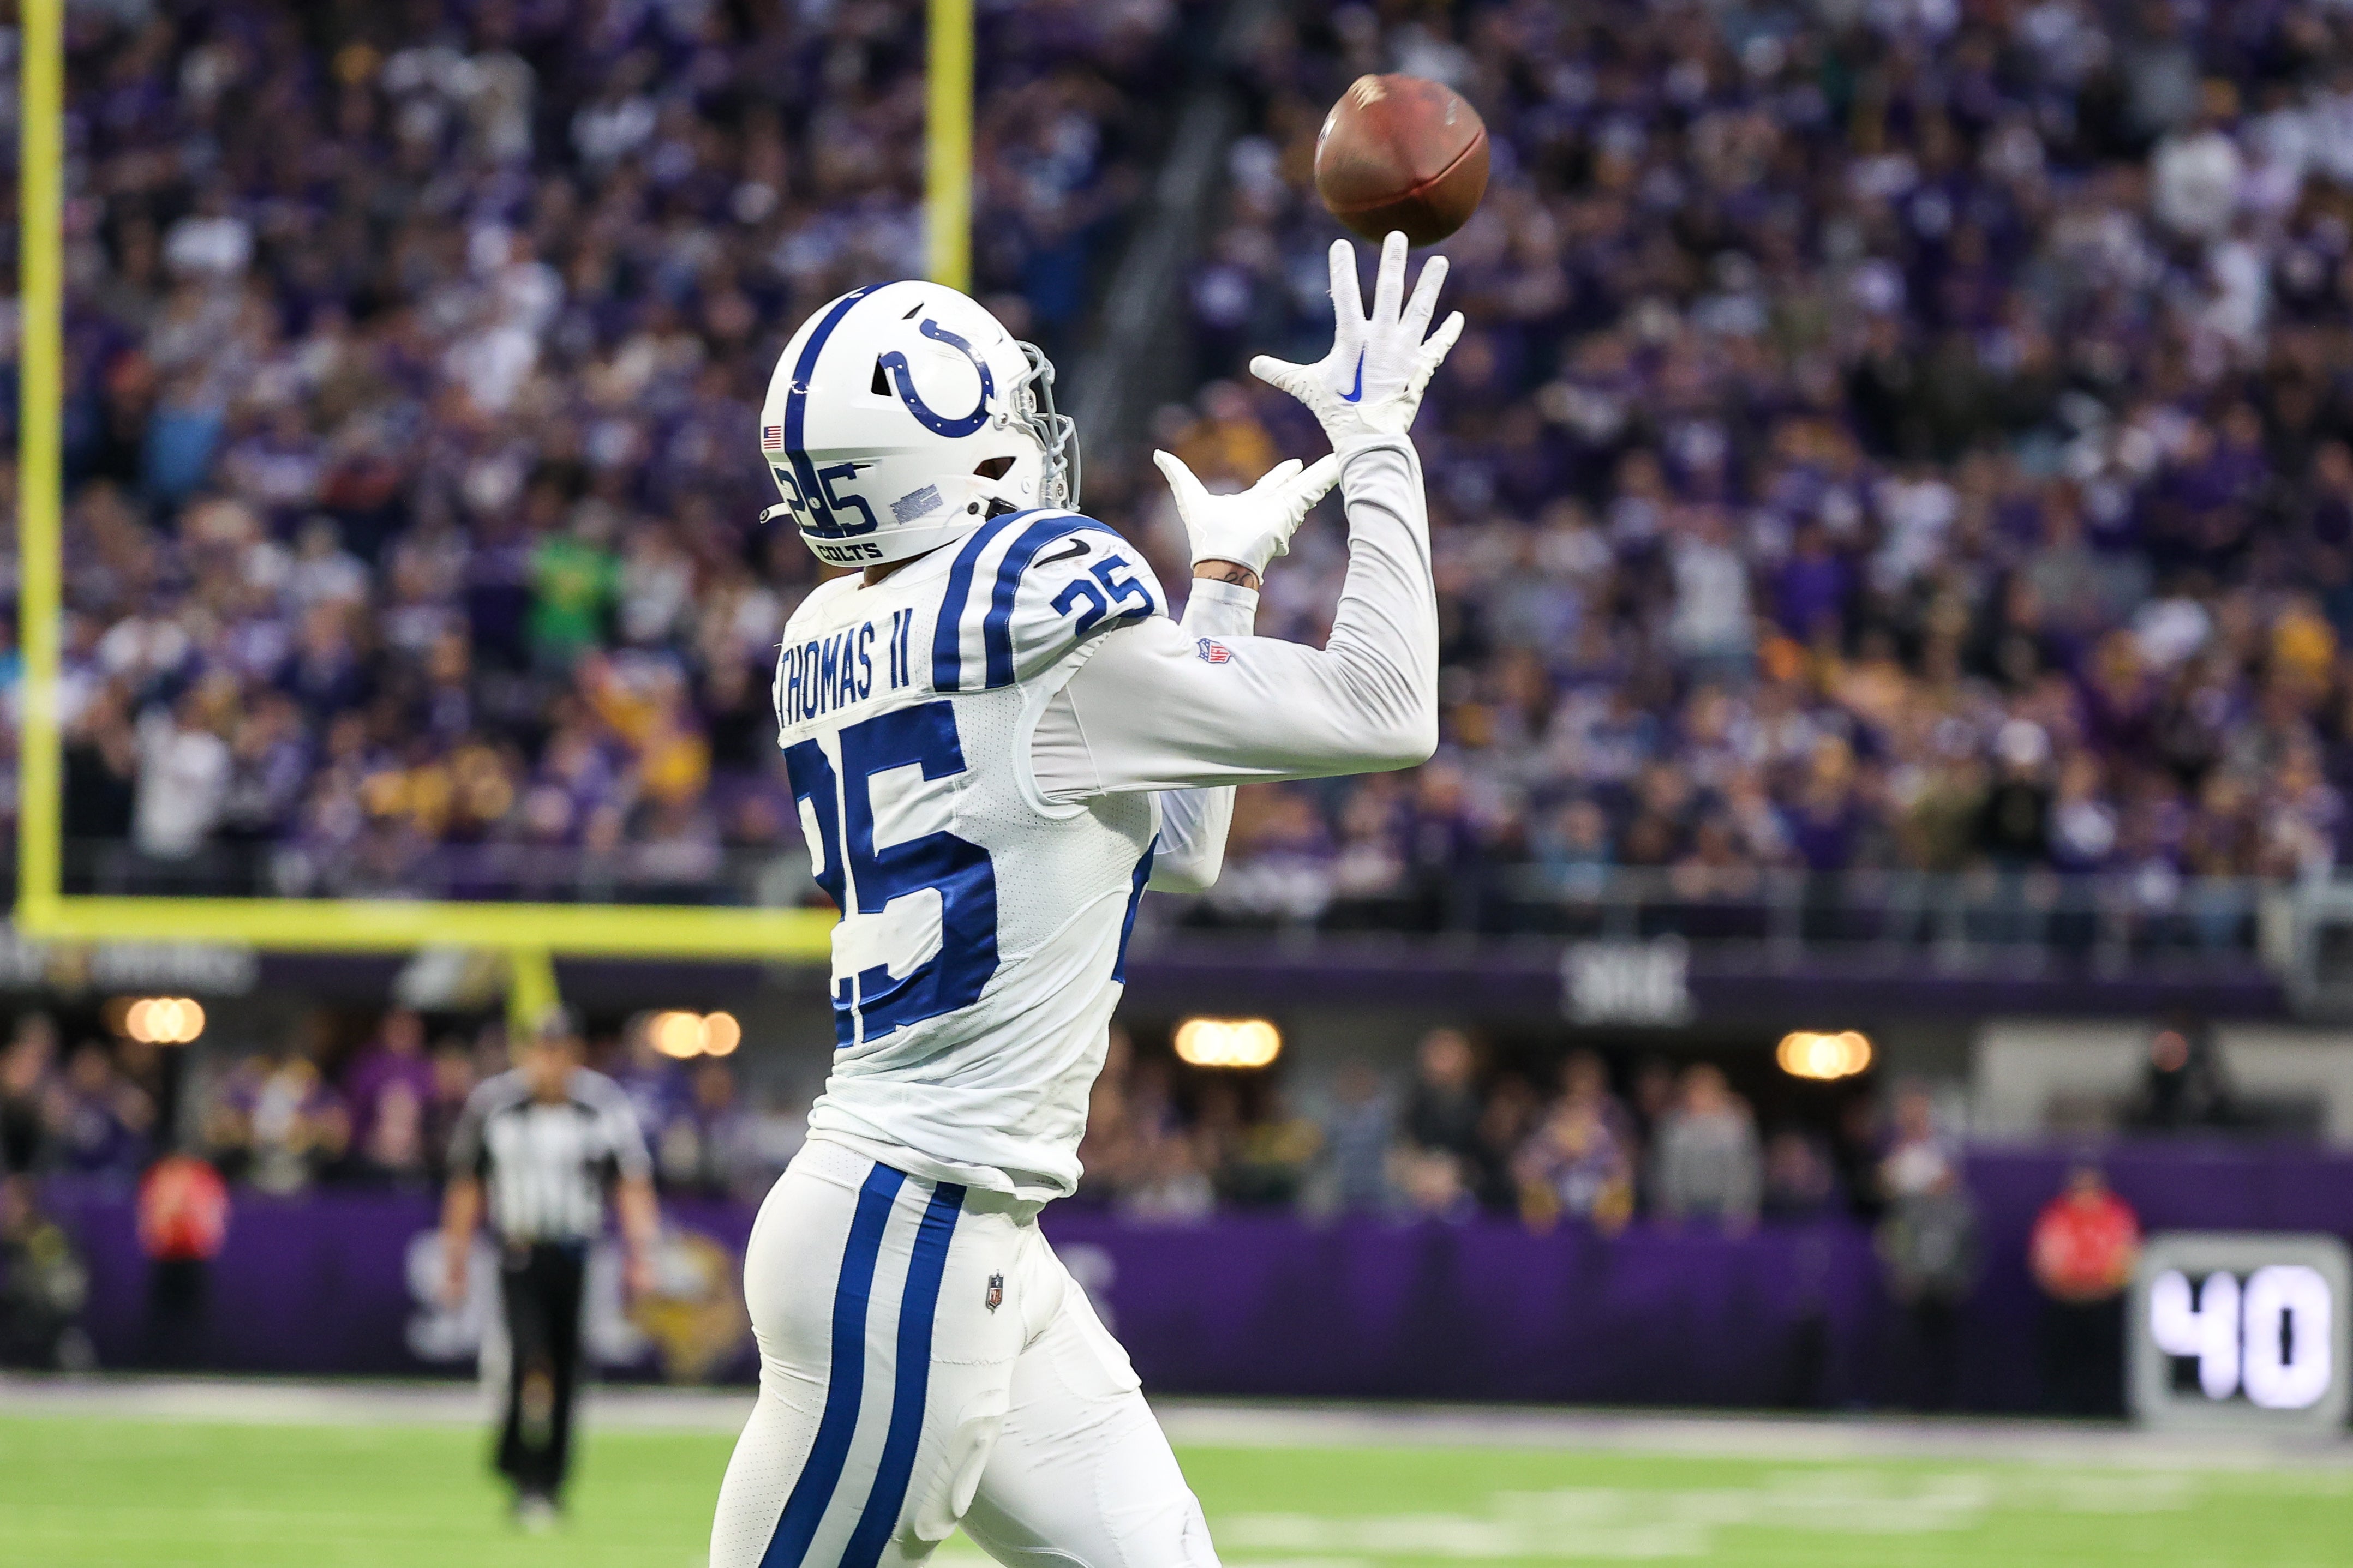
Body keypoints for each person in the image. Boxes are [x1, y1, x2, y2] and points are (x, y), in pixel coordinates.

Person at [708, 233, 1454, 1568]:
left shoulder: (821, 635)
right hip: (912, 1231)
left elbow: (1172, 842)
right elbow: (1389, 710)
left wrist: (1217, 590)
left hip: (963, 1230)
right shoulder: (1037, 586)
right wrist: (1382, 443)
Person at [440, 1006, 659, 1530]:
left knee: (565, 1367)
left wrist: (642, 1254)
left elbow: (629, 1183)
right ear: (525, 1051)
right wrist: (455, 1259)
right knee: (525, 1356)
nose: (549, 1060)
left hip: (576, 1250)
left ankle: (550, 1480)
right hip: (519, 1251)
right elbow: (467, 1184)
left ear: (574, 1052)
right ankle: (519, 1466)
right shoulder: (495, 1105)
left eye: (559, 1048)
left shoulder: (600, 1104)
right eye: (541, 1047)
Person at [2029, 1163, 2141, 1416]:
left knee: (2104, 1362)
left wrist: (2102, 1286)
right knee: (2063, 1361)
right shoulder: (2058, 1215)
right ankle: (2060, 1409)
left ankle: (2105, 1410)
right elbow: (2045, 1260)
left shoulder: (2116, 1215)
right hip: (2065, 1301)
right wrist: (2069, 1285)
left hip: (2104, 1303)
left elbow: (2127, 1258)